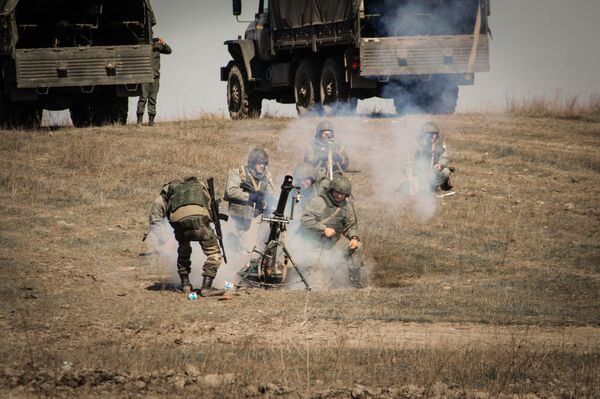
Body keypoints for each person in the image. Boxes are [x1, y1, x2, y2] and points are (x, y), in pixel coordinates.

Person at [147, 176, 224, 296]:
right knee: (214, 254)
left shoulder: (167, 191)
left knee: (184, 251)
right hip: (200, 220)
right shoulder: (200, 186)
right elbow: (210, 209)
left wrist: (165, 239)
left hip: (179, 223)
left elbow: (155, 219)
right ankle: (206, 288)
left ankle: (185, 285)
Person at [300, 175, 363, 288]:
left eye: (342, 194)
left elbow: (350, 226)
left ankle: (355, 282)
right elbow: (306, 220)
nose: (339, 195)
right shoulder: (319, 202)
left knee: (357, 246)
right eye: (337, 192)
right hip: (313, 244)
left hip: (332, 244)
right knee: (317, 285)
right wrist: (323, 229)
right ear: (331, 190)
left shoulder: (347, 206)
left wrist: (353, 237)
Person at [224, 148, 275, 248]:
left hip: (257, 214)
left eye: (264, 163)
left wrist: (266, 201)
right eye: (259, 163)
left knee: (255, 242)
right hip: (242, 213)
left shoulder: (266, 176)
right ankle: (233, 242)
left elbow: (271, 194)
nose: (262, 166)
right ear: (252, 163)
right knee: (248, 246)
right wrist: (250, 196)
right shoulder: (239, 173)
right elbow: (229, 192)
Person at [403, 122, 453, 195]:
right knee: (419, 190)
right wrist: (410, 177)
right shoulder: (416, 146)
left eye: (435, 134)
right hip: (419, 174)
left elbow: (445, 157)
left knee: (446, 171)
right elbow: (409, 162)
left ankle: (435, 186)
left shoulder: (440, 144)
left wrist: (440, 164)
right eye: (430, 134)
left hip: (433, 172)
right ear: (424, 134)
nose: (433, 137)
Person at [137, 37, 172, 126]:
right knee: (143, 98)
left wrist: (163, 43)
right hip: (145, 77)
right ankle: (139, 121)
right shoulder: (142, 46)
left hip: (155, 77)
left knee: (153, 99)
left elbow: (169, 51)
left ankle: (151, 121)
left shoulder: (157, 46)